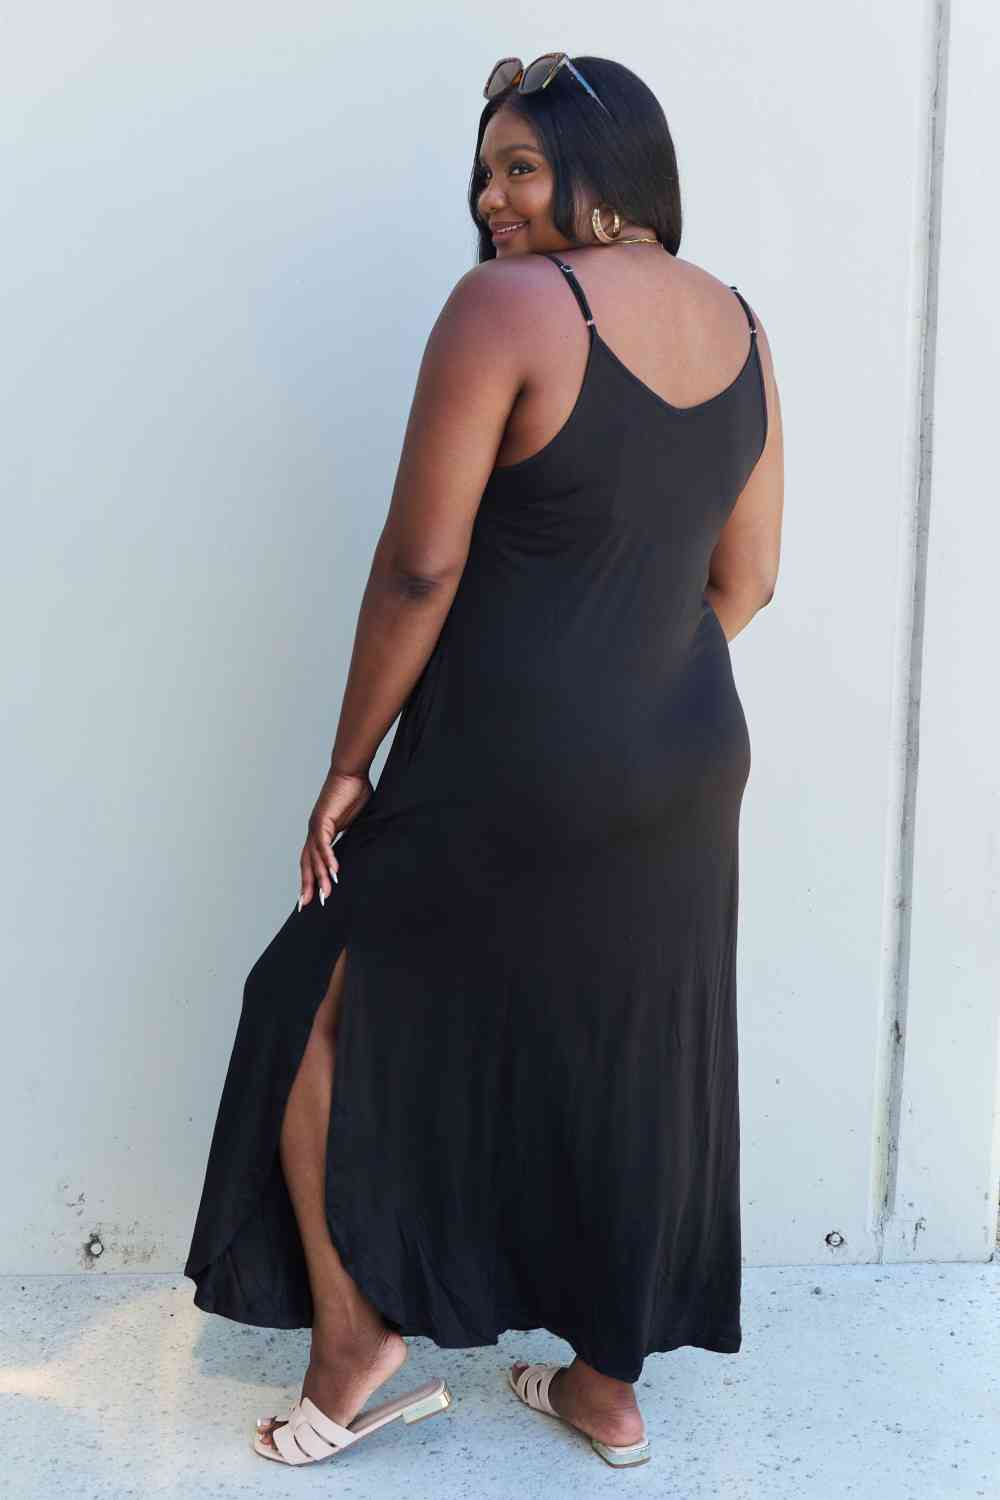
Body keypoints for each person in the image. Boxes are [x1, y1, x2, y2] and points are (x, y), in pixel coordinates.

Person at [184, 52, 783, 1471]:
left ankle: (355, 1346)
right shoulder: (743, 323)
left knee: (310, 994)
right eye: (485, 171)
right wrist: (629, 685)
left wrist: (349, 764)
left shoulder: (508, 306)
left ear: (612, 175)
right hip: (688, 756)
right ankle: (607, 1390)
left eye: (521, 166)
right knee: (627, 1046)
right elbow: (748, 580)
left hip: (510, 747)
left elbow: (419, 566)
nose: (491, 200)